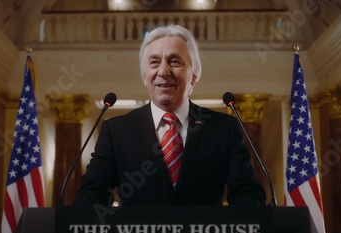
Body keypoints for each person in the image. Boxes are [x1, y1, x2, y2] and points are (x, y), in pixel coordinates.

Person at [72, 25, 265, 207]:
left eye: (174, 61)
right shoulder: (116, 132)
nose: (163, 71)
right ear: (144, 76)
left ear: (194, 76)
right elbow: (90, 196)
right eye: (154, 62)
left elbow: (247, 194)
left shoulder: (224, 129)